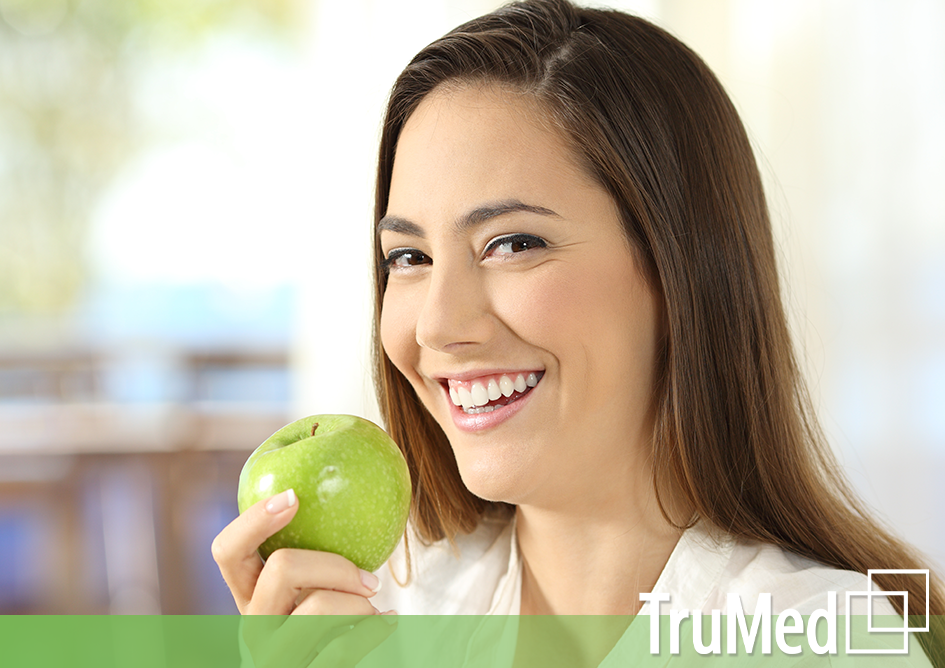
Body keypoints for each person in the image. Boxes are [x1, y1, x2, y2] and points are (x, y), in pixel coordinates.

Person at [213, 0, 942, 665]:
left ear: (677, 267)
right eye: (410, 257)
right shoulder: (394, 614)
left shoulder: (822, 638)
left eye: (514, 243)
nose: (436, 323)